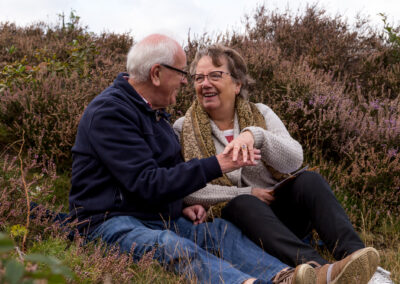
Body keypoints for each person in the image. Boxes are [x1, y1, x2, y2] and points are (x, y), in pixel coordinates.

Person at [68, 33, 327, 284]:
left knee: (222, 234)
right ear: (156, 73)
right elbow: (148, 183)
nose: (185, 82)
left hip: (156, 216)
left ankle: (286, 277)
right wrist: (219, 164)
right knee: (171, 246)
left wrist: (179, 205)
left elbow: (167, 174)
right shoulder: (110, 113)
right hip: (108, 220)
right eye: (182, 73)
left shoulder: (155, 115)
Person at [173, 44, 380, 284]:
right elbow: (187, 189)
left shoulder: (261, 113)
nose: (204, 84)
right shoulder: (182, 128)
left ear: (237, 84)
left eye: (215, 75)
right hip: (239, 225)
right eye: (199, 78)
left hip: (280, 212)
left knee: (310, 181)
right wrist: (247, 192)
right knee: (243, 203)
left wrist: (255, 136)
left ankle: (359, 261)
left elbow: (294, 158)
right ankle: (323, 270)